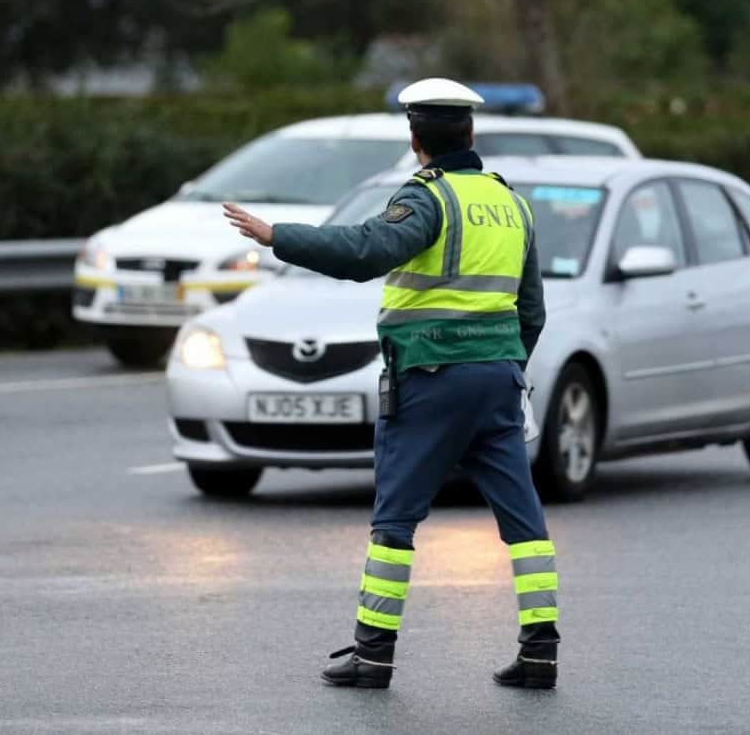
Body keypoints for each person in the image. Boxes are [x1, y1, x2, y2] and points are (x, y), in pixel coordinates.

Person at [224, 77, 558, 690]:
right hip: (498, 379)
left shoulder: (427, 200)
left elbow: (366, 250)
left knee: (396, 517)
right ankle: (540, 650)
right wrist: (508, 366)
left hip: (431, 379)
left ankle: (372, 654)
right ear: (471, 133)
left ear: (414, 139)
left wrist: (278, 237)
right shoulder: (510, 203)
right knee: (522, 516)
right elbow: (531, 310)